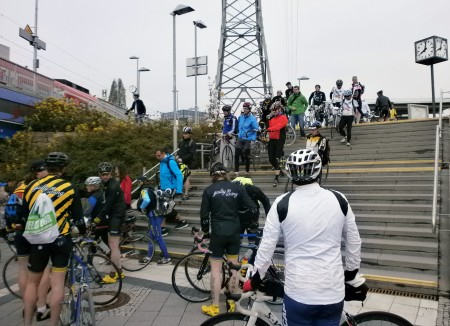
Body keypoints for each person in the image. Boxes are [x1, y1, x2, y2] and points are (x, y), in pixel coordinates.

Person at [244, 149, 362, 326]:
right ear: (319, 171)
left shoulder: (282, 203)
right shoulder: (339, 199)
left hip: (298, 292)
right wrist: (351, 273)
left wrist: (255, 280)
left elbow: (266, 248)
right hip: (332, 292)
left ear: (290, 174)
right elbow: (354, 241)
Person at [16, 152, 87, 326]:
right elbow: (78, 218)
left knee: (32, 283)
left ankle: (27, 322)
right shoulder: (69, 187)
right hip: (60, 239)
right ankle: (53, 323)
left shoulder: (31, 186)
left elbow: (23, 215)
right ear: (63, 168)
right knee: (57, 284)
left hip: (37, 239)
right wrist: (84, 232)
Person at [200, 162, 257, 316]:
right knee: (234, 269)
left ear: (213, 175)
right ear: (225, 174)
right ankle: (232, 304)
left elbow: (204, 217)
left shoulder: (209, 190)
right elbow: (252, 208)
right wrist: (241, 218)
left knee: (216, 270)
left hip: (218, 234)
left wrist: (205, 231)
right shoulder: (237, 188)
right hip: (234, 232)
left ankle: (215, 307)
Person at [95, 161, 126, 283]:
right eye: (102, 174)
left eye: (107, 174)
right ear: (99, 174)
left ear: (111, 174)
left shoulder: (113, 186)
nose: (104, 176)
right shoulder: (107, 184)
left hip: (116, 217)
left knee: (113, 246)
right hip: (113, 216)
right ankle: (120, 272)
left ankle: (113, 275)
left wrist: (96, 220)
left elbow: (106, 206)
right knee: (113, 245)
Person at [137, 176, 171, 264]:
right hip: (157, 215)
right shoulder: (151, 188)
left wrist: (141, 208)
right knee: (151, 236)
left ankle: (166, 257)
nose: (138, 183)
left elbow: (146, 200)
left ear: (141, 182)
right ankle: (149, 256)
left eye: (138, 182)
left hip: (154, 216)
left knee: (158, 237)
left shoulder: (144, 190)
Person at [155, 147, 188, 231]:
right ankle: (181, 221)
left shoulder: (170, 162)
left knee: (165, 207)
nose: (157, 157)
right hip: (164, 188)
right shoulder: (162, 162)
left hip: (171, 188)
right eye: (156, 156)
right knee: (166, 207)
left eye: (159, 155)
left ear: (163, 153)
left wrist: (179, 190)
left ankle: (162, 227)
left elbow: (179, 175)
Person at [266, 101, 289, 187]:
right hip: (272, 139)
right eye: (273, 110)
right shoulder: (271, 119)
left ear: (279, 109)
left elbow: (278, 126)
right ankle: (280, 171)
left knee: (276, 158)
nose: (274, 111)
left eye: (275, 109)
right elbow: (269, 125)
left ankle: (276, 178)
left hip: (280, 139)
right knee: (271, 159)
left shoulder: (283, 117)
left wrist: (269, 129)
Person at [235, 102, 259, 176]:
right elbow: (237, 126)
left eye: (246, 108)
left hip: (248, 138)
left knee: (246, 154)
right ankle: (236, 172)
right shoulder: (241, 117)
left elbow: (256, 129)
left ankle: (247, 171)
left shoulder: (252, 119)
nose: (244, 110)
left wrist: (253, 139)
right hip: (240, 137)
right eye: (244, 108)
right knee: (236, 154)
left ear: (249, 109)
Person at [177, 126, 197, 200]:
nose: (184, 135)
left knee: (186, 177)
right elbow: (180, 150)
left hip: (188, 162)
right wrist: (177, 156)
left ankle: (186, 194)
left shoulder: (192, 143)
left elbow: (191, 154)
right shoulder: (181, 141)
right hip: (180, 162)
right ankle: (189, 187)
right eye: (184, 133)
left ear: (190, 134)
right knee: (184, 176)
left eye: (186, 134)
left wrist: (182, 159)